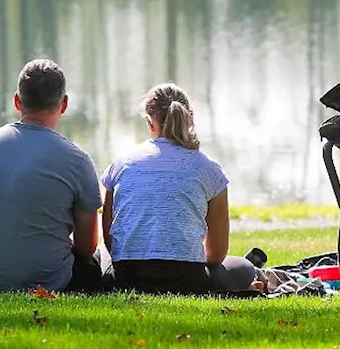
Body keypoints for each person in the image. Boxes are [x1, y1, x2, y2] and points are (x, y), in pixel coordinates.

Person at [0, 59, 104, 292]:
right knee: (101, 260)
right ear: (63, 105)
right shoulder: (77, 160)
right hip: (52, 281)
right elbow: (86, 247)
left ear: (17, 101)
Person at [100, 83, 257, 294]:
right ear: (189, 118)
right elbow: (216, 255)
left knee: (101, 257)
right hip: (188, 279)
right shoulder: (209, 170)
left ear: (149, 122)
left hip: (128, 276)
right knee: (244, 268)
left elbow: (111, 241)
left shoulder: (121, 165)